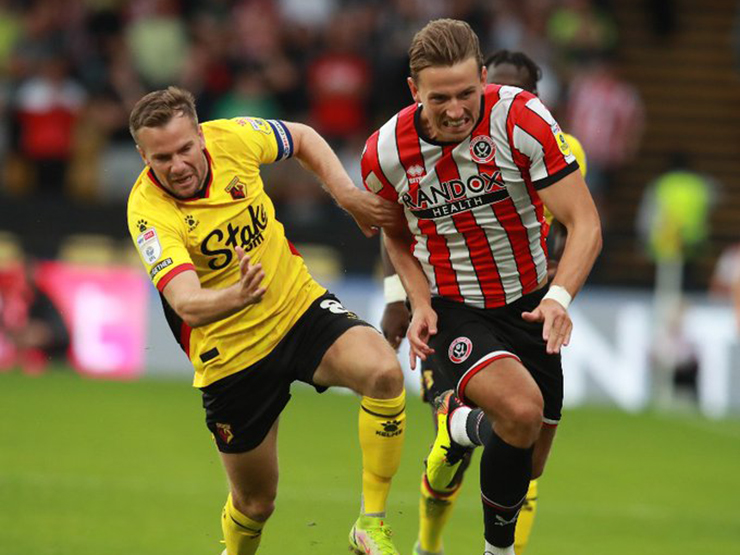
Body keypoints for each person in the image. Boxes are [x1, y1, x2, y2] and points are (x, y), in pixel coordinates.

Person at [126, 86, 407, 555]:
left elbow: (302, 137)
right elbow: (186, 303)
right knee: (256, 504)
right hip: (231, 355)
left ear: (200, 134)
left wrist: (347, 195)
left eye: (184, 149)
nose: (177, 165)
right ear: (142, 155)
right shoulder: (148, 211)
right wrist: (237, 295)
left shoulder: (235, 138)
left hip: (297, 309)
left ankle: (370, 525)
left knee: (383, 373)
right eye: (161, 158)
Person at [363, 20, 601, 555]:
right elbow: (395, 236)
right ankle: (500, 552)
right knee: (518, 412)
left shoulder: (521, 119)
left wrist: (559, 299)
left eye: (467, 93)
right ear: (413, 92)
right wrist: (414, 300)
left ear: (485, 78)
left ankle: (459, 423)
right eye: (439, 98)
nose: (455, 110)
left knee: (528, 456)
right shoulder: (384, 153)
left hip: (532, 305)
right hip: (455, 309)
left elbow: (585, 224)